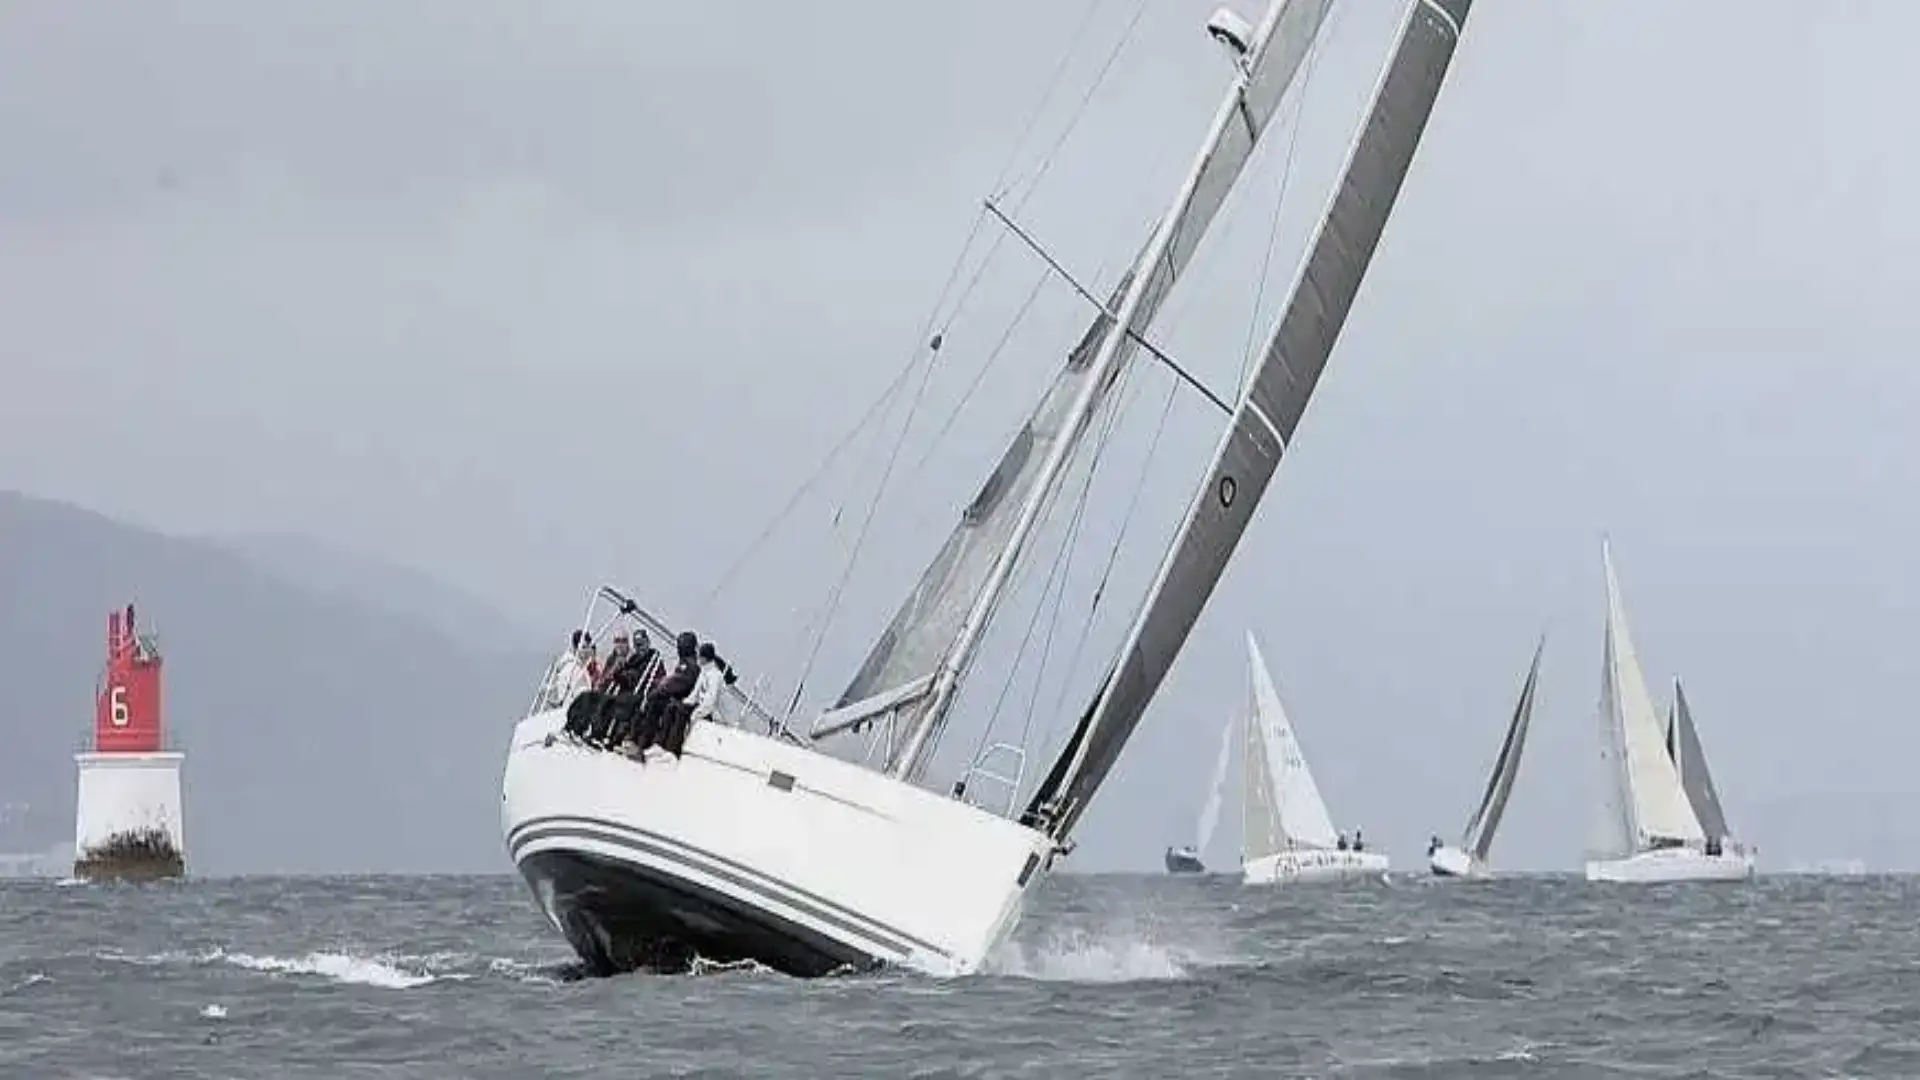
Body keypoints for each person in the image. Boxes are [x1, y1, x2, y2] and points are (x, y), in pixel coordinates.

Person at [631, 631, 700, 756]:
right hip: (673, 697)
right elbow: (674, 680)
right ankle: (636, 740)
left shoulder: (690, 665)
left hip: (680, 700)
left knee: (655, 701)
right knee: (650, 699)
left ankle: (647, 744)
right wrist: (662, 685)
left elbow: (682, 684)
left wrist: (662, 689)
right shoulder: (685, 662)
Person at [593, 630, 658, 748]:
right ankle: (597, 733)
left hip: (640, 694)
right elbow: (625, 675)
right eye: (637, 645)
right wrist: (617, 672)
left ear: (648, 642)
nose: (640, 648)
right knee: (605, 699)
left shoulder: (654, 659)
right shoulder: (632, 659)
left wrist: (620, 675)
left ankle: (616, 738)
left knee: (622, 702)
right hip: (628, 690)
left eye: (642, 644)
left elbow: (648, 679)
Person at [661, 642, 725, 756]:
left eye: (700, 656)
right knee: (672, 707)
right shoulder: (704, 671)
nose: (698, 658)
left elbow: (710, 703)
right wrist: (682, 702)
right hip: (698, 707)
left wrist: (696, 714)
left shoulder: (715, 676)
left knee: (682, 712)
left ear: (704, 658)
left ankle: (673, 750)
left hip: (709, 713)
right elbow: (694, 695)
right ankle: (662, 744)